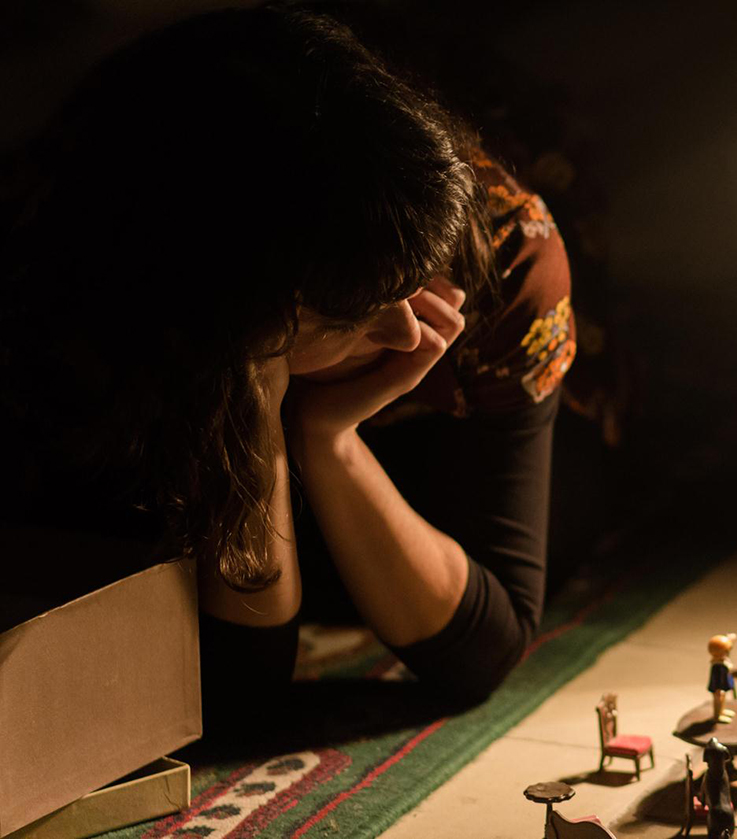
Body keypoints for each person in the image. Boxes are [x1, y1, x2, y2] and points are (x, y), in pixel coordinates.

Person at [0, 4, 575, 723]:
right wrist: (256, 412)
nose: (409, 333)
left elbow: (485, 651)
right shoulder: (98, 297)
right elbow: (237, 693)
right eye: (347, 317)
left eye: (408, 285)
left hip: (442, 448)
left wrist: (329, 439)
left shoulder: (495, 251)